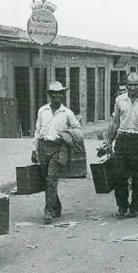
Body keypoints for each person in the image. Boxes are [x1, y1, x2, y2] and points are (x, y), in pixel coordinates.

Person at [105, 72, 138, 219]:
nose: (132, 88)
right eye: (130, 85)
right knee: (119, 175)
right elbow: (115, 123)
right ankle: (122, 206)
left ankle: (134, 207)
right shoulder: (119, 100)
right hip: (122, 139)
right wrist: (109, 142)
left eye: (135, 85)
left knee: (137, 176)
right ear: (126, 85)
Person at [31, 81, 82, 224]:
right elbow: (37, 131)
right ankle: (57, 206)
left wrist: (67, 134)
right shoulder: (43, 110)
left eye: (60, 93)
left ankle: (49, 211)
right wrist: (34, 149)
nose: (58, 96)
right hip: (43, 147)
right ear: (50, 95)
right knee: (46, 180)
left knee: (51, 179)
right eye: (55, 94)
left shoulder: (67, 113)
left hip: (58, 148)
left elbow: (78, 129)